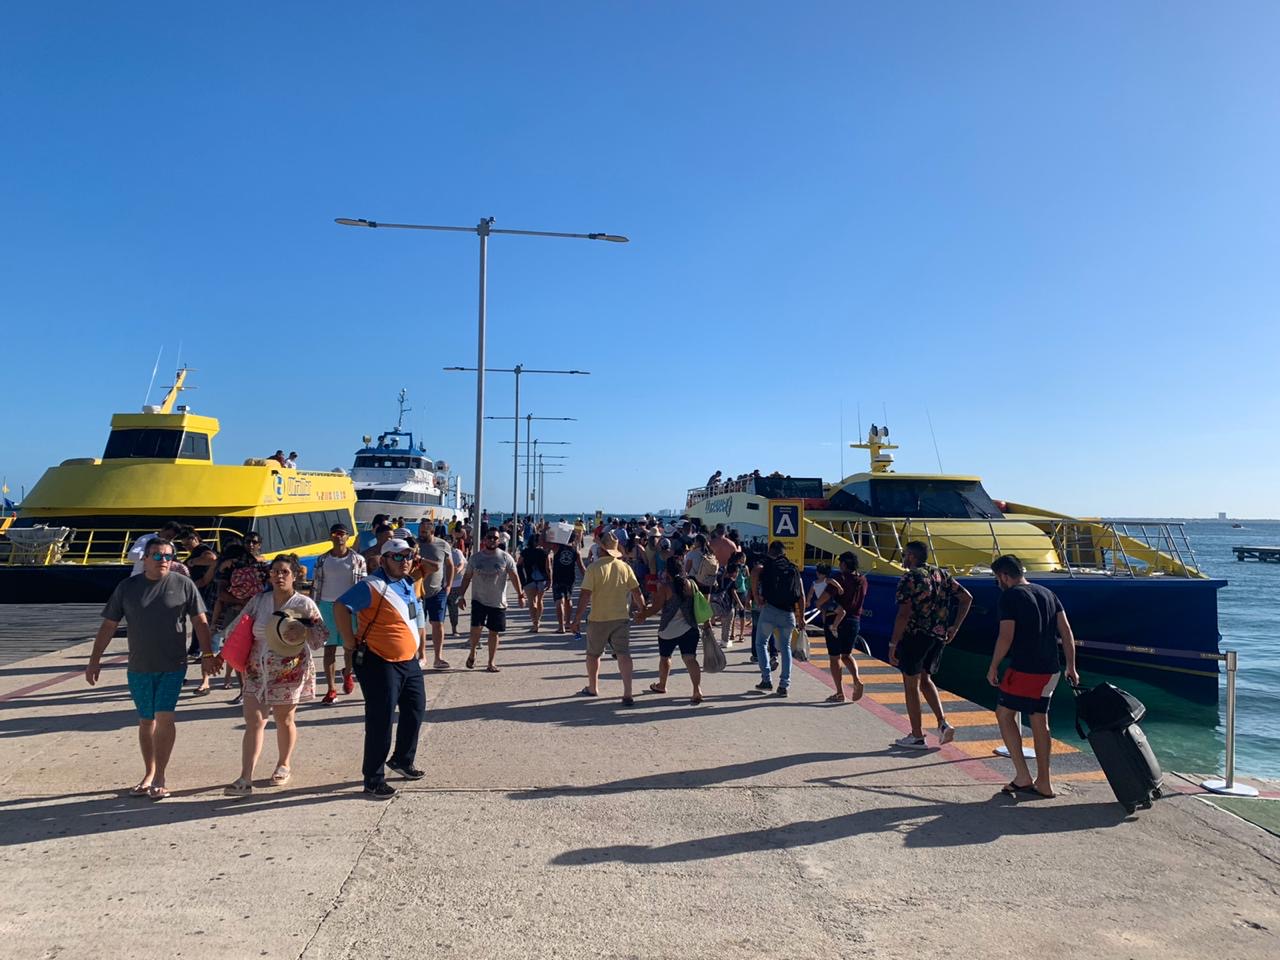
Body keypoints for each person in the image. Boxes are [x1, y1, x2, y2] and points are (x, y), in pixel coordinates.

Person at [85, 538, 215, 800]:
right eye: (156, 555)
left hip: (173, 665)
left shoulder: (184, 584)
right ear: (144, 559)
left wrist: (208, 654)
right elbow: (109, 625)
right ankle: (149, 772)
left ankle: (160, 777)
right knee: (146, 721)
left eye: (168, 556)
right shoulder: (128, 588)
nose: (163, 560)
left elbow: (200, 622)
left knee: (164, 717)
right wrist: (94, 659)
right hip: (139, 667)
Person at [223, 555, 326, 796]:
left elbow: (321, 636)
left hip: (289, 670)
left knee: (284, 719)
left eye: (284, 572)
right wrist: (223, 652)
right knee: (254, 721)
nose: (279, 576)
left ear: (294, 575)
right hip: (256, 669)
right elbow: (238, 626)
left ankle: (284, 764)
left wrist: (301, 625)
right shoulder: (259, 601)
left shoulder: (303, 603)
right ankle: (245, 777)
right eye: (275, 572)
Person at [334, 538, 428, 799]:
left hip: (408, 661)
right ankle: (373, 779)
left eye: (408, 556)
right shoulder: (372, 585)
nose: (404, 561)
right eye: (397, 556)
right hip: (379, 660)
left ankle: (402, 760)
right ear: (384, 559)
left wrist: (419, 647)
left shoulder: (407, 582)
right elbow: (340, 606)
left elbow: (412, 617)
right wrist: (348, 640)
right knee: (381, 720)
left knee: (415, 709)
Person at [988, 554, 1079, 798]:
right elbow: (1066, 631)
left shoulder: (1010, 596)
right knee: (1040, 720)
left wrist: (993, 665)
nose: (998, 583)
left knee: (1004, 714)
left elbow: (1006, 636)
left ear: (1004, 576)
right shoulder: (1048, 593)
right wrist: (1071, 666)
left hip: (1025, 669)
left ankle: (1022, 776)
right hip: (1051, 669)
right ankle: (1044, 782)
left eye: (997, 578)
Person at [889, 541, 973, 749]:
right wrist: (955, 627)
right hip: (937, 636)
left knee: (911, 684)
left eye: (905, 554)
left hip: (915, 635)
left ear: (912, 556)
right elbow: (966, 598)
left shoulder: (910, 578)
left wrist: (893, 643)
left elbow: (903, 614)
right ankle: (942, 723)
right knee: (926, 679)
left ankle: (917, 735)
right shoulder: (941, 574)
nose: (903, 558)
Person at [572, 532, 645, 704]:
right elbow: (637, 592)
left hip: (598, 618)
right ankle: (628, 692)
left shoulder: (594, 568)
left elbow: (585, 595)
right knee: (623, 654)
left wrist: (576, 619)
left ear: (601, 549)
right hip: (621, 617)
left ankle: (593, 687)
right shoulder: (625, 567)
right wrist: (642, 610)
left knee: (593, 655)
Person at [312, 522, 367, 704]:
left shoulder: (357, 559)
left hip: (348, 607)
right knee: (329, 648)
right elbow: (315, 585)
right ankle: (331, 689)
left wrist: (361, 609)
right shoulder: (322, 560)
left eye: (342, 534)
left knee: (349, 647)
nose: (339, 537)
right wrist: (313, 607)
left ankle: (347, 673)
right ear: (331, 536)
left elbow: (363, 586)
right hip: (326, 606)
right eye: (335, 534)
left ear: (347, 537)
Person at [458, 528, 524, 672]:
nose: (492, 540)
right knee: (476, 629)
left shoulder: (505, 557)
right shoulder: (475, 558)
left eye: (495, 538)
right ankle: (472, 651)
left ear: (499, 540)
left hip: (498, 601)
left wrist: (520, 595)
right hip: (478, 599)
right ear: (484, 539)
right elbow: (467, 577)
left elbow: (514, 577)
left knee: (494, 632)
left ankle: (491, 662)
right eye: (490, 537)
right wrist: (461, 596)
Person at [640, 557, 704, 704]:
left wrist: (642, 615)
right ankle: (697, 690)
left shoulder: (665, 587)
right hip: (690, 628)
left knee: (665, 658)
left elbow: (656, 608)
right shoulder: (691, 584)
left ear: (667, 571)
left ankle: (662, 685)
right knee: (690, 659)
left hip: (668, 630)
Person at [751, 541, 803, 696]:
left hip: (770, 611)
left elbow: (755, 571)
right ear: (784, 553)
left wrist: (756, 596)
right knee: (785, 648)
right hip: (788, 614)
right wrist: (801, 617)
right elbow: (801, 595)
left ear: (770, 551)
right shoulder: (793, 569)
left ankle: (766, 680)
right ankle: (784, 685)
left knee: (761, 643)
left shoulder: (767, 565)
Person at [823, 552, 868, 703]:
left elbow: (824, 598)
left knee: (834, 657)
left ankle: (840, 693)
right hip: (854, 621)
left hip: (835, 621)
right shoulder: (863, 580)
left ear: (843, 564)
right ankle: (857, 679)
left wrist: (820, 603)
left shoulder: (839, 578)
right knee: (847, 655)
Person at [414, 522, 452, 669]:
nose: (421, 535)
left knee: (438, 623)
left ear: (432, 532)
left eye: (424, 532)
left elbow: (450, 565)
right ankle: (422, 655)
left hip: (437, 591)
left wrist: (448, 585)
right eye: (420, 531)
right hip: (417, 592)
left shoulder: (442, 545)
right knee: (420, 625)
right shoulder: (415, 545)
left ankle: (438, 657)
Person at [552, 535, 587, 633]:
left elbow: (546, 542)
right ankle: (567, 622)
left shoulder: (557, 547)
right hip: (570, 578)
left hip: (558, 578)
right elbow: (581, 567)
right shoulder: (575, 551)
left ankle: (561, 626)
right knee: (568, 599)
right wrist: (588, 578)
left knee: (559, 601)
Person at [520, 532, 551, 632]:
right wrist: (550, 580)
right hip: (542, 579)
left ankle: (535, 623)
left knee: (531, 602)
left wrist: (521, 579)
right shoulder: (544, 553)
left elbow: (518, 565)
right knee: (540, 600)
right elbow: (548, 568)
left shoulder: (525, 552)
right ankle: (538, 621)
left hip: (529, 580)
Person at [447, 537, 467, 637]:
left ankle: (454, 628)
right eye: (445, 541)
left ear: (452, 542)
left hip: (455, 584)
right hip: (442, 585)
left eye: (449, 541)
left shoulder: (456, 552)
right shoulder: (440, 551)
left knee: (453, 608)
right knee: (440, 609)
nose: (447, 543)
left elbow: (462, 563)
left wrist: (457, 570)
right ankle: (438, 629)